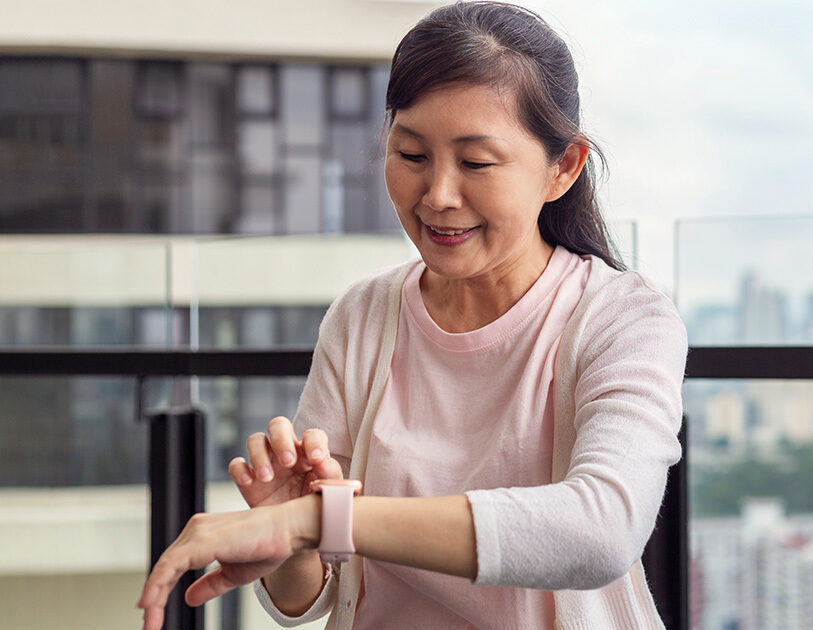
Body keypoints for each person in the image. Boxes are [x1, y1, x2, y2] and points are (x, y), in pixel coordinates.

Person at [136, 2, 687, 628]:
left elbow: (601, 532)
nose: (438, 196)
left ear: (563, 167)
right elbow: (308, 598)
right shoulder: (362, 316)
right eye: (412, 155)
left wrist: (325, 518)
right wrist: (291, 540)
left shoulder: (623, 318)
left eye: (476, 162)